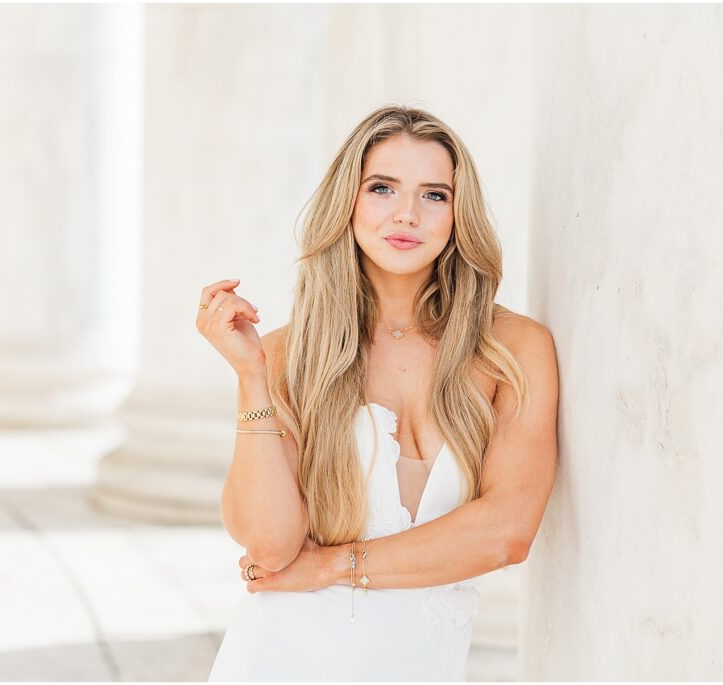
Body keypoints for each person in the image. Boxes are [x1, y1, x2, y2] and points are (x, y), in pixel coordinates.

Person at [195, 104, 559, 681]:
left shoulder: (511, 349)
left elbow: (507, 533)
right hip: (282, 659)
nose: (407, 214)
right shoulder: (293, 353)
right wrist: (251, 377)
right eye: (383, 188)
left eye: (435, 194)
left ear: (459, 214)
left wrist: (336, 567)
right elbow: (269, 549)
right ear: (350, 202)